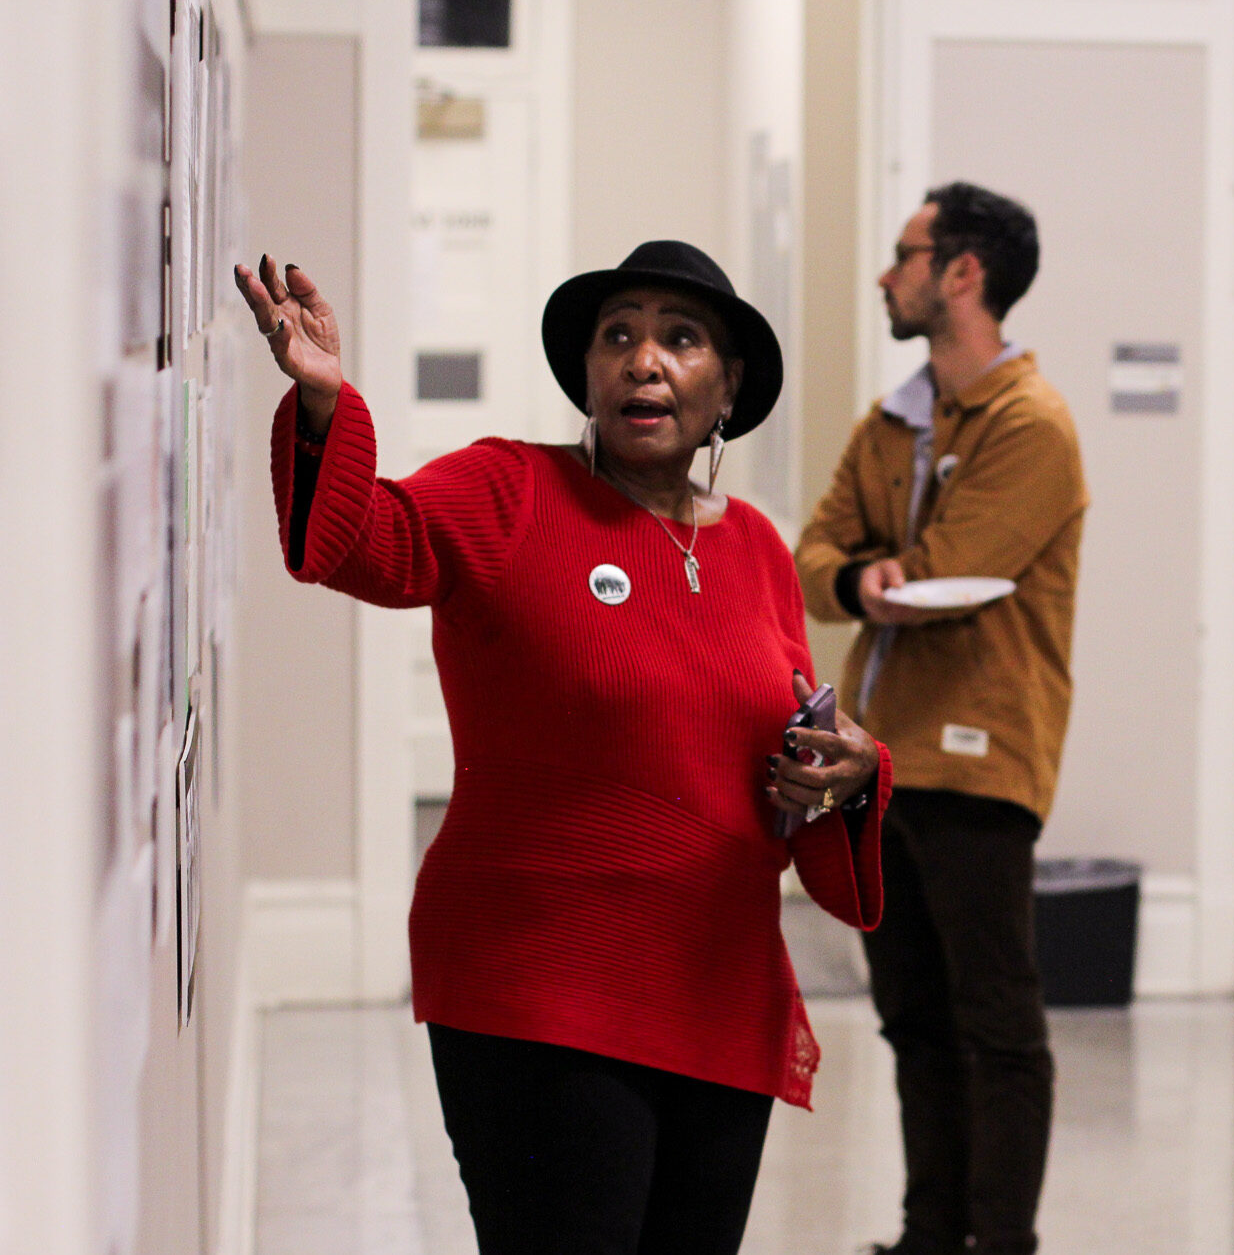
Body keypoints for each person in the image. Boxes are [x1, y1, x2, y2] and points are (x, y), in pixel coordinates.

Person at [234, 241, 891, 1255]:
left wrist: (847, 771)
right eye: (617, 335)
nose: (643, 360)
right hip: (541, 985)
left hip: (718, 991)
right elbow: (358, 540)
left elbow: (789, 747)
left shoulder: (757, 546)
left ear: (730, 387)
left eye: (680, 339)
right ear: (586, 373)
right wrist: (324, 402)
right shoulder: (510, 493)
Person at [794, 181, 1086, 1255]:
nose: (886, 273)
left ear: (962, 273)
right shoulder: (893, 421)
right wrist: (875, 577)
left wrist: (870, 577)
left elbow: (955, 574)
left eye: (903, 254)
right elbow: (812, 563)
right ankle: (930, 1238)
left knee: (994, 1025)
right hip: (881, 761)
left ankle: (998, 1242)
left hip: (980, 762)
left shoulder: (1030, 424)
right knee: (913, 1018)